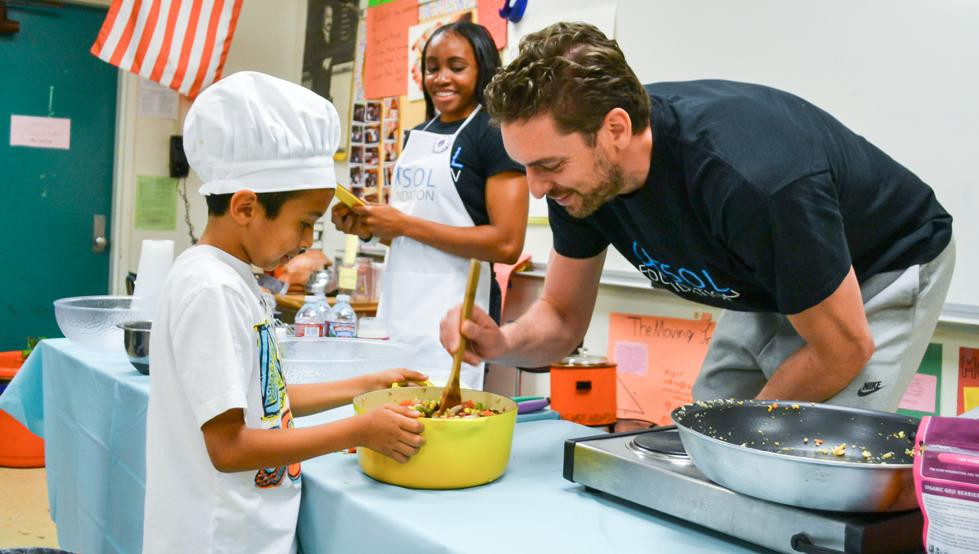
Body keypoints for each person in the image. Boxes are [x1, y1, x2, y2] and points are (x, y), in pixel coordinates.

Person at [439, 22, 955, 412]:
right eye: (526, 167)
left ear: (615, 129)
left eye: (548, 166)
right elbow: (562, 316)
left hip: (882, 264)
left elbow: (844, 348)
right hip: (773, 269)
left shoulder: (747, 178)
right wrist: (501, 343)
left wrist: (749, 440)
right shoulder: (578, 184)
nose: (536, 189)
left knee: (809, 453)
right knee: (708, 414)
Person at [143, 72, 427, 554]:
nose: (307, 242)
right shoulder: (210, 288)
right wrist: (358, 430)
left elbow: (261, 397)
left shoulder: (233, 278)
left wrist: (364, 387)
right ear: (246, 207)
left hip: (249, 531)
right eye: (305, 223)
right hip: (216, 538)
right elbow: (229, 446)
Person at [333, 22, 529, 390]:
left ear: (483, 69)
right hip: (400, 307)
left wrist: (404, 226)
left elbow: (506, 243)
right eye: (432, 67)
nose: (441, 78)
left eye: (456, 67)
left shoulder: (494, 135)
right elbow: (414, 231)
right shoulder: (417, 135)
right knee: (395, 406)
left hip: (457, 309)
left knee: (444, 420)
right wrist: (372, 226)